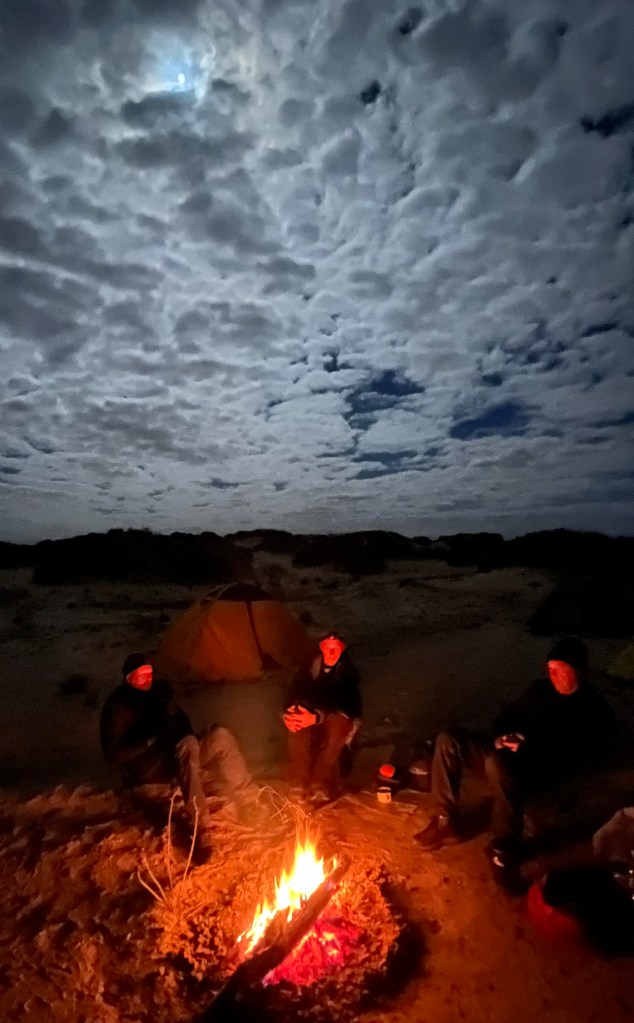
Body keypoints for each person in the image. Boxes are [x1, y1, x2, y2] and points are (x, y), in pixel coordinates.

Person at [414, 638, 613, 888]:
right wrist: (501, 737)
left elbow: (580, 752)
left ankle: (504, 847)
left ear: (577, 671)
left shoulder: (592, 708)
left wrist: (529, 745)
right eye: (550, 669)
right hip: (504, 752)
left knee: (496, 763)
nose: (552, 675)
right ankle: (445, 820)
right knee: (449, 739)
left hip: (539, 769)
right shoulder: (540, 690)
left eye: (559, 670)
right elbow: (506, 717)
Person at [100, 653, 268, 863]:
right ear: (129, 678)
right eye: (140, 676)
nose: (146, 679)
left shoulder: (158, 695)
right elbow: (113, 755)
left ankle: (250, 800)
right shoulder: (119, 707)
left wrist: (180, 732)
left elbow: (183, 723)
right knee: (188, 745)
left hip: (177, 752)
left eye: (148, 674)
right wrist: (149, 740)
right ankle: (201, 828)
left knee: (220, 736)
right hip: (150, 767)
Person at [282, 631, 362, 806]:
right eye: (328, 648)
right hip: (313, 716)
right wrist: (290, 712)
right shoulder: (310, 668)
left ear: (342, 650)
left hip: (337, 718)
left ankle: (321, 782)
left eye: (336, 649)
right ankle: (298, 782)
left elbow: (344, 704)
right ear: (322, 648)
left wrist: (317, 716)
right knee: (297, 722)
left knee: (337, 727)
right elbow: (295, 692)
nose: (331, 653)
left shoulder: (347, 673)